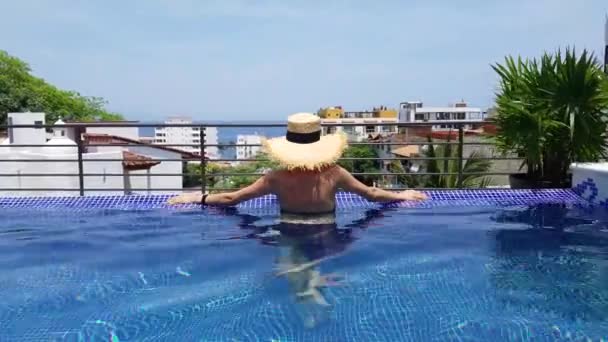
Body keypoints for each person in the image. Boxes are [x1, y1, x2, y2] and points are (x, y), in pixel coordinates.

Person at [167, 112, 427, 211]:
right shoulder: (334, 173)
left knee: (295, 271)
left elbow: (231, 199)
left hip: (290, 231)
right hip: (327, 231)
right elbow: (371, 194)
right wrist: (402, 194)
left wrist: (196, 198)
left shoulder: (275, 178)